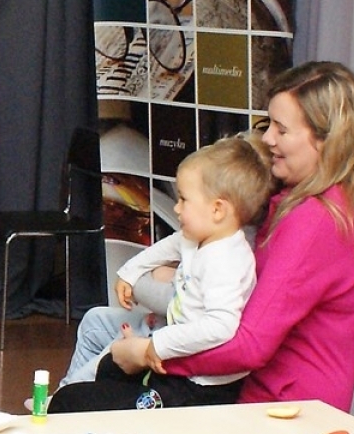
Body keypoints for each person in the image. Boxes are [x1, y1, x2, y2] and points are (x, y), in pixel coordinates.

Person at [58, 62, 354, 412]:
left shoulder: (316, 220)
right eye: (269, 125)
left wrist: (148, 354)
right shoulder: (311, 205)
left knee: (72, 403)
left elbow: (249, 344)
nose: (268, 139)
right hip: (246, 382)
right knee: (100, 330)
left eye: (281, 129)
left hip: (277, 406)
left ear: (327, 142)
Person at [54, 136, 271, 409]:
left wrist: (156, 345)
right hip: (172, 363)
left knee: (74, 398)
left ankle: (60, 406)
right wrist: (130, 272)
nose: (176, 208)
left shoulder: (226, 260)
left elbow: (220, 327)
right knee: (106, 366)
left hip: (196, 390)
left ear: (218, 209)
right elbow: (171, 245)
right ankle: (61, 402)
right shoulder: (200, 237)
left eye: (183, 199)